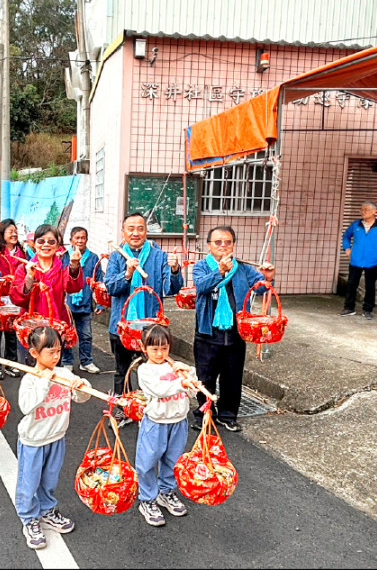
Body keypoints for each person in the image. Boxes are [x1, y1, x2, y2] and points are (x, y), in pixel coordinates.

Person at [191, 225, 275, 433]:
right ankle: (205, 413)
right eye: (217, 242)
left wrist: (267, 277)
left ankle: (228, 415)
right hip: (207, 331)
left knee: (232, 376)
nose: (223, 246)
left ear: (233, 245)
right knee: (205, 376)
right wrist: (220, 271)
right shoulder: (201, 266)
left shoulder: (244, 268)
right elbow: (201, 286)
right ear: (209, 245)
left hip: (237, 331)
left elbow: (261, 287)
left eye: (227, 242)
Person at [103, 213, 183, 427]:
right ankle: (122, 410)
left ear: (146, 231)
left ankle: (149, 409)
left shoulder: (158, 256)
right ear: (123, 232)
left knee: (153, 369)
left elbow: (171, 289)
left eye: (140, 228)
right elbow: (110, 287)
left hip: (151, 327)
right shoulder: (117, 256)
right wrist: (127, 273)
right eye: (131, 228)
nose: (135, 233)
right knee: (123, 370)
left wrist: (175, 270)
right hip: (122, 326)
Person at [15, 326, 91, 550]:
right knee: (29, 482)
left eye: (58, 351)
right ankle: (29, 519)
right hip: (33, 441)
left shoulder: (64, 374)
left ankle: (47, 510)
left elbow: (82, 397)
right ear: (34, 353)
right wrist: (44, 381)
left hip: (57, 437)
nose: (56, 356)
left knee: (49, 480)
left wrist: (81, 387)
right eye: (50, 352)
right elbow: (26, 406)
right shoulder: (30, 379)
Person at [135, 324, 197, 526]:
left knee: (173, 460)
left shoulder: (176, 367)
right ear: (144, 348)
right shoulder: (145, 370)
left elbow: (192, 392)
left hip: (178, 421)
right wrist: (182, 383)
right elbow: (159, 390)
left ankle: (166, 492)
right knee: (147, 463)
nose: (160, 353)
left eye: (164, 348)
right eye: (154, 349)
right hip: (156, 423)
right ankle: (147, 499)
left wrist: (189, 373)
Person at [10, 224, 84, 364]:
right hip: (31, 328)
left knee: (54, 368)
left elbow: (73, 287)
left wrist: (74, 265)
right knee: (33, 370)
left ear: (58, 246)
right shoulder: (24, 268)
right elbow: (16, 299)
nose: (46, 245)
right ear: (34, 244)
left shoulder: (62, 268)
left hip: (55, 327)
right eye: (41, 241)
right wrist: (29, 278)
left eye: (51, 242)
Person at [339, 201, 377, 320]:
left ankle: (368, 309)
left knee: (370, 286)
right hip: (355, 260)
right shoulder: (356, 225)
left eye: (366, 210)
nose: (363, 212)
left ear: (374, 212)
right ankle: (349, 308)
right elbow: (346, 236)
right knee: (351, 285)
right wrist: (347, 248)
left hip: (372, 262)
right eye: (362, 209)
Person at [0, 219, 27, 378]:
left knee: (12, 332)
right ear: (2, 233)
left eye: (15, 231)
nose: (14, 234)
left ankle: (11, 363)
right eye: (10, 231)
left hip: (14, 298)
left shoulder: (21, 251)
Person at [60, 226, 103, 374]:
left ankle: (86, 361)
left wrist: (101, 303)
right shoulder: (63, 257)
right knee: (67, 334)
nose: (80, 241)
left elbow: (99, 281)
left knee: (86, 335)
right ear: (71, 240)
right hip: (67, 303)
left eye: (83, 238)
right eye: (77, 238)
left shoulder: (94, 258)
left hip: (85, 303)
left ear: (87, 239)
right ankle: (67, 361)